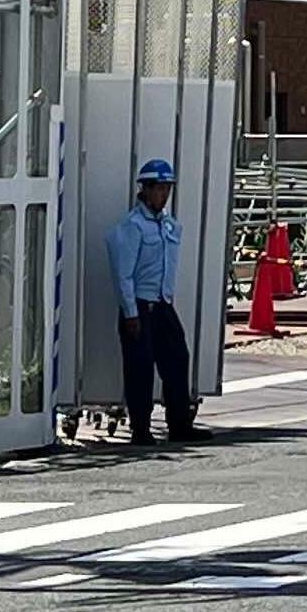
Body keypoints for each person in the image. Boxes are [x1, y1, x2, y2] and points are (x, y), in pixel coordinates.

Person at [105, 159, 210, 446]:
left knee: (177, 359)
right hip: (139, 305)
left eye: (167, 189)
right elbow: (123, 273)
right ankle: (141, 429)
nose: (164, 194)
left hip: (162, 304)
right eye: (159, 189)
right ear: (145, 189)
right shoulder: (132, 227)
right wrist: (130, 313)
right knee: (140, 368)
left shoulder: (167, 224)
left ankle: (179, 424)